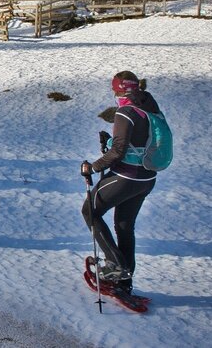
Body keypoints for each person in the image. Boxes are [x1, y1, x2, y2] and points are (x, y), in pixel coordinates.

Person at [80, 71, 160, 295]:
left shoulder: (126, 112)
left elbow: (118, 151)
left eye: (114, 89)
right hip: (147, 178)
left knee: (90, 211)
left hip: (126, 177)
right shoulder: (150, 107)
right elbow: (136, 142)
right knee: (124, 226)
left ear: (120, 90)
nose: (113, 93)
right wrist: (111, 143)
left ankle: (116, 266)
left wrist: (93, 167)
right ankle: (125, 282)